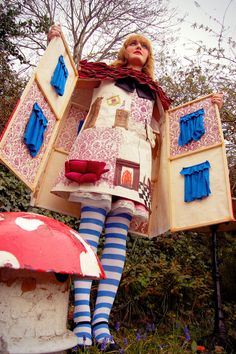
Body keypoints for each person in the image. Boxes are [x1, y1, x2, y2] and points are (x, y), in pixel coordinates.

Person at [47, 25, 223, 351]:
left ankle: (101, 323)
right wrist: (56, 44)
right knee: (89, 233)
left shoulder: (156, 94)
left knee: (116, 240)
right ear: (125, 50)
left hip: (134, 163)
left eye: (144, 44)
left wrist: (209, 107)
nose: (138, 46)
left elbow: (174, 131)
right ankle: (81, 319)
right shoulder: (101, 75)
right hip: (98, 152)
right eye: (133, 42)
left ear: (149, 55)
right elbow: (66, 82)